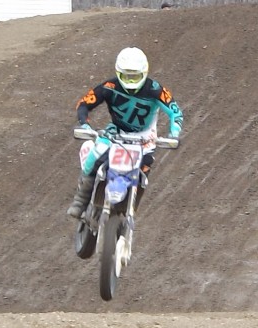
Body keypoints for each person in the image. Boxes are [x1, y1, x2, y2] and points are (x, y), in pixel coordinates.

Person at [66, 46, 183, 218]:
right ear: (118, 73)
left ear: (144, 73)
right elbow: (84, 103)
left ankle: (130, 207)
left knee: (144, 167)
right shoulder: (109, 86)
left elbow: (175, 112)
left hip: (145, 136)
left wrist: (174, 133)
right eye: (126, 76)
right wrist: (85, 125)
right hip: (116, 132)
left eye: (135, 76)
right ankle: (80, 201)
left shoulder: (155, 90)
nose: (131, 81)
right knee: (95, 156)